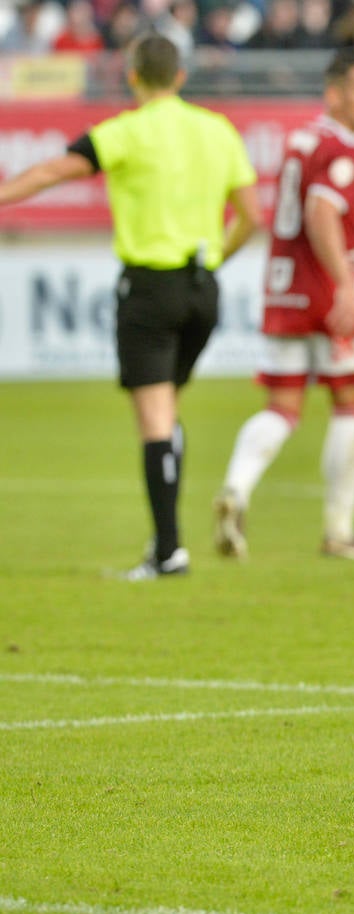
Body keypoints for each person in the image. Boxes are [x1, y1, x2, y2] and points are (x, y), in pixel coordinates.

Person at [0, 34, 260, 580]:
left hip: (150, 288)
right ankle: (165, 546)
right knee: (168, 406)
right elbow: (250, 216)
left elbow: (52, 170)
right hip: (202, 290)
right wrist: (214, 260)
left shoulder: (125, 131)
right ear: (182, 77)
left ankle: (167, 552)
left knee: (154, 417)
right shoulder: (218, 130)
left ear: (133, 76)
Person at [213, 47, 354, 561]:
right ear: (334, 93)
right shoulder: (342, 149)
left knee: (282, 408)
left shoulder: (300, 140)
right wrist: (347, 285)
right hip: (327, 297)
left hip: (284, 289)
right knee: (349, 403)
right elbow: (321, 212)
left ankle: (235, 491)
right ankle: (338, 531)